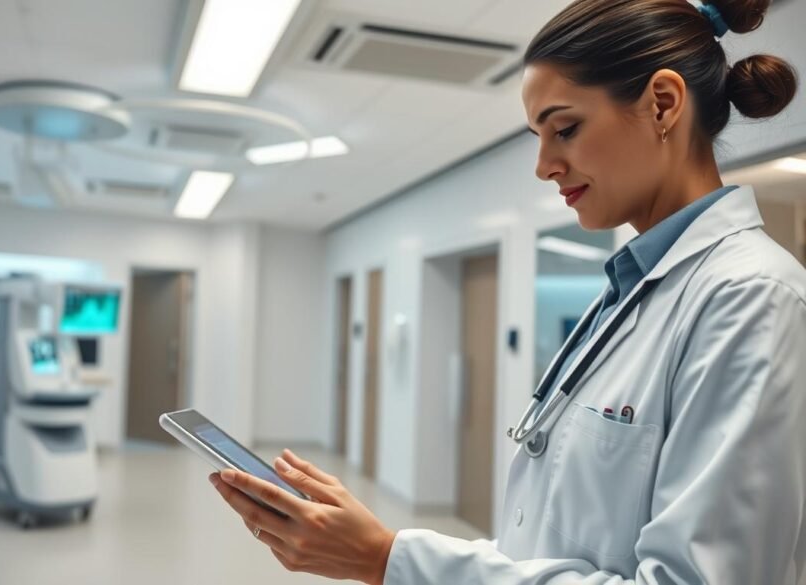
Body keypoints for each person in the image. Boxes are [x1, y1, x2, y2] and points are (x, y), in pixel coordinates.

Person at [208, 0, 806, 583]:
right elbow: (547, 542)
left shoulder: (750, 297)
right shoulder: (633, 289)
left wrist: (390, 560)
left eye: (565, 129)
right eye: (538, 137)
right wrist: (377, 546)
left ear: (663, 104)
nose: (544, 165)